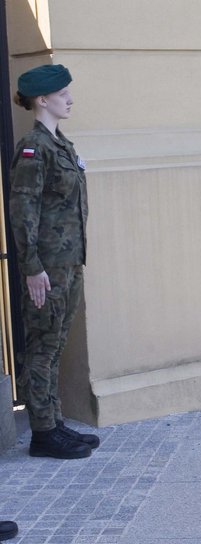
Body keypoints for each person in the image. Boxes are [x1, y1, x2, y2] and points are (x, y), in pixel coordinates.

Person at [9, 64, 100, 459]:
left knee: (56, 344)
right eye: (63, 94)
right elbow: (22, 211)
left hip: (68, 263)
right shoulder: (34, 148)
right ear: (42, 100)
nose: (70, 100)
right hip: (45, 268)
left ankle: (54, 422)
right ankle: (43, 434)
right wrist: (32, 268)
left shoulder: (61, 144)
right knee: (42, 347)